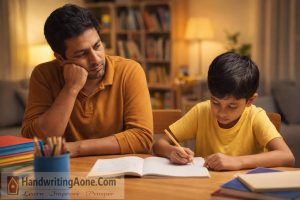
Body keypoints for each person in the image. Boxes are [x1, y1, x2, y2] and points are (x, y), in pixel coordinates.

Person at [21, 4, 153, 157]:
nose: (96, 59)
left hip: (119, 172)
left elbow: (142, 138)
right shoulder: (43, 75)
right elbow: (34, 141)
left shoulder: (129, 71)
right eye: (81, 54)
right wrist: (70, 89)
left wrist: (77, 148)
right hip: (66, 173)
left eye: (97, 46)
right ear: (61, 58)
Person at [153, 52, 295, 171]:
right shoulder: (201, 111)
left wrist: (237, 162)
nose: (221, 113)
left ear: (250, 101)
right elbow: (159, 145)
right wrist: (171, 152)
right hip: (204, 187)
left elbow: (287, 156)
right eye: (215, 102)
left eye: (232, 106)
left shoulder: (255, 117)